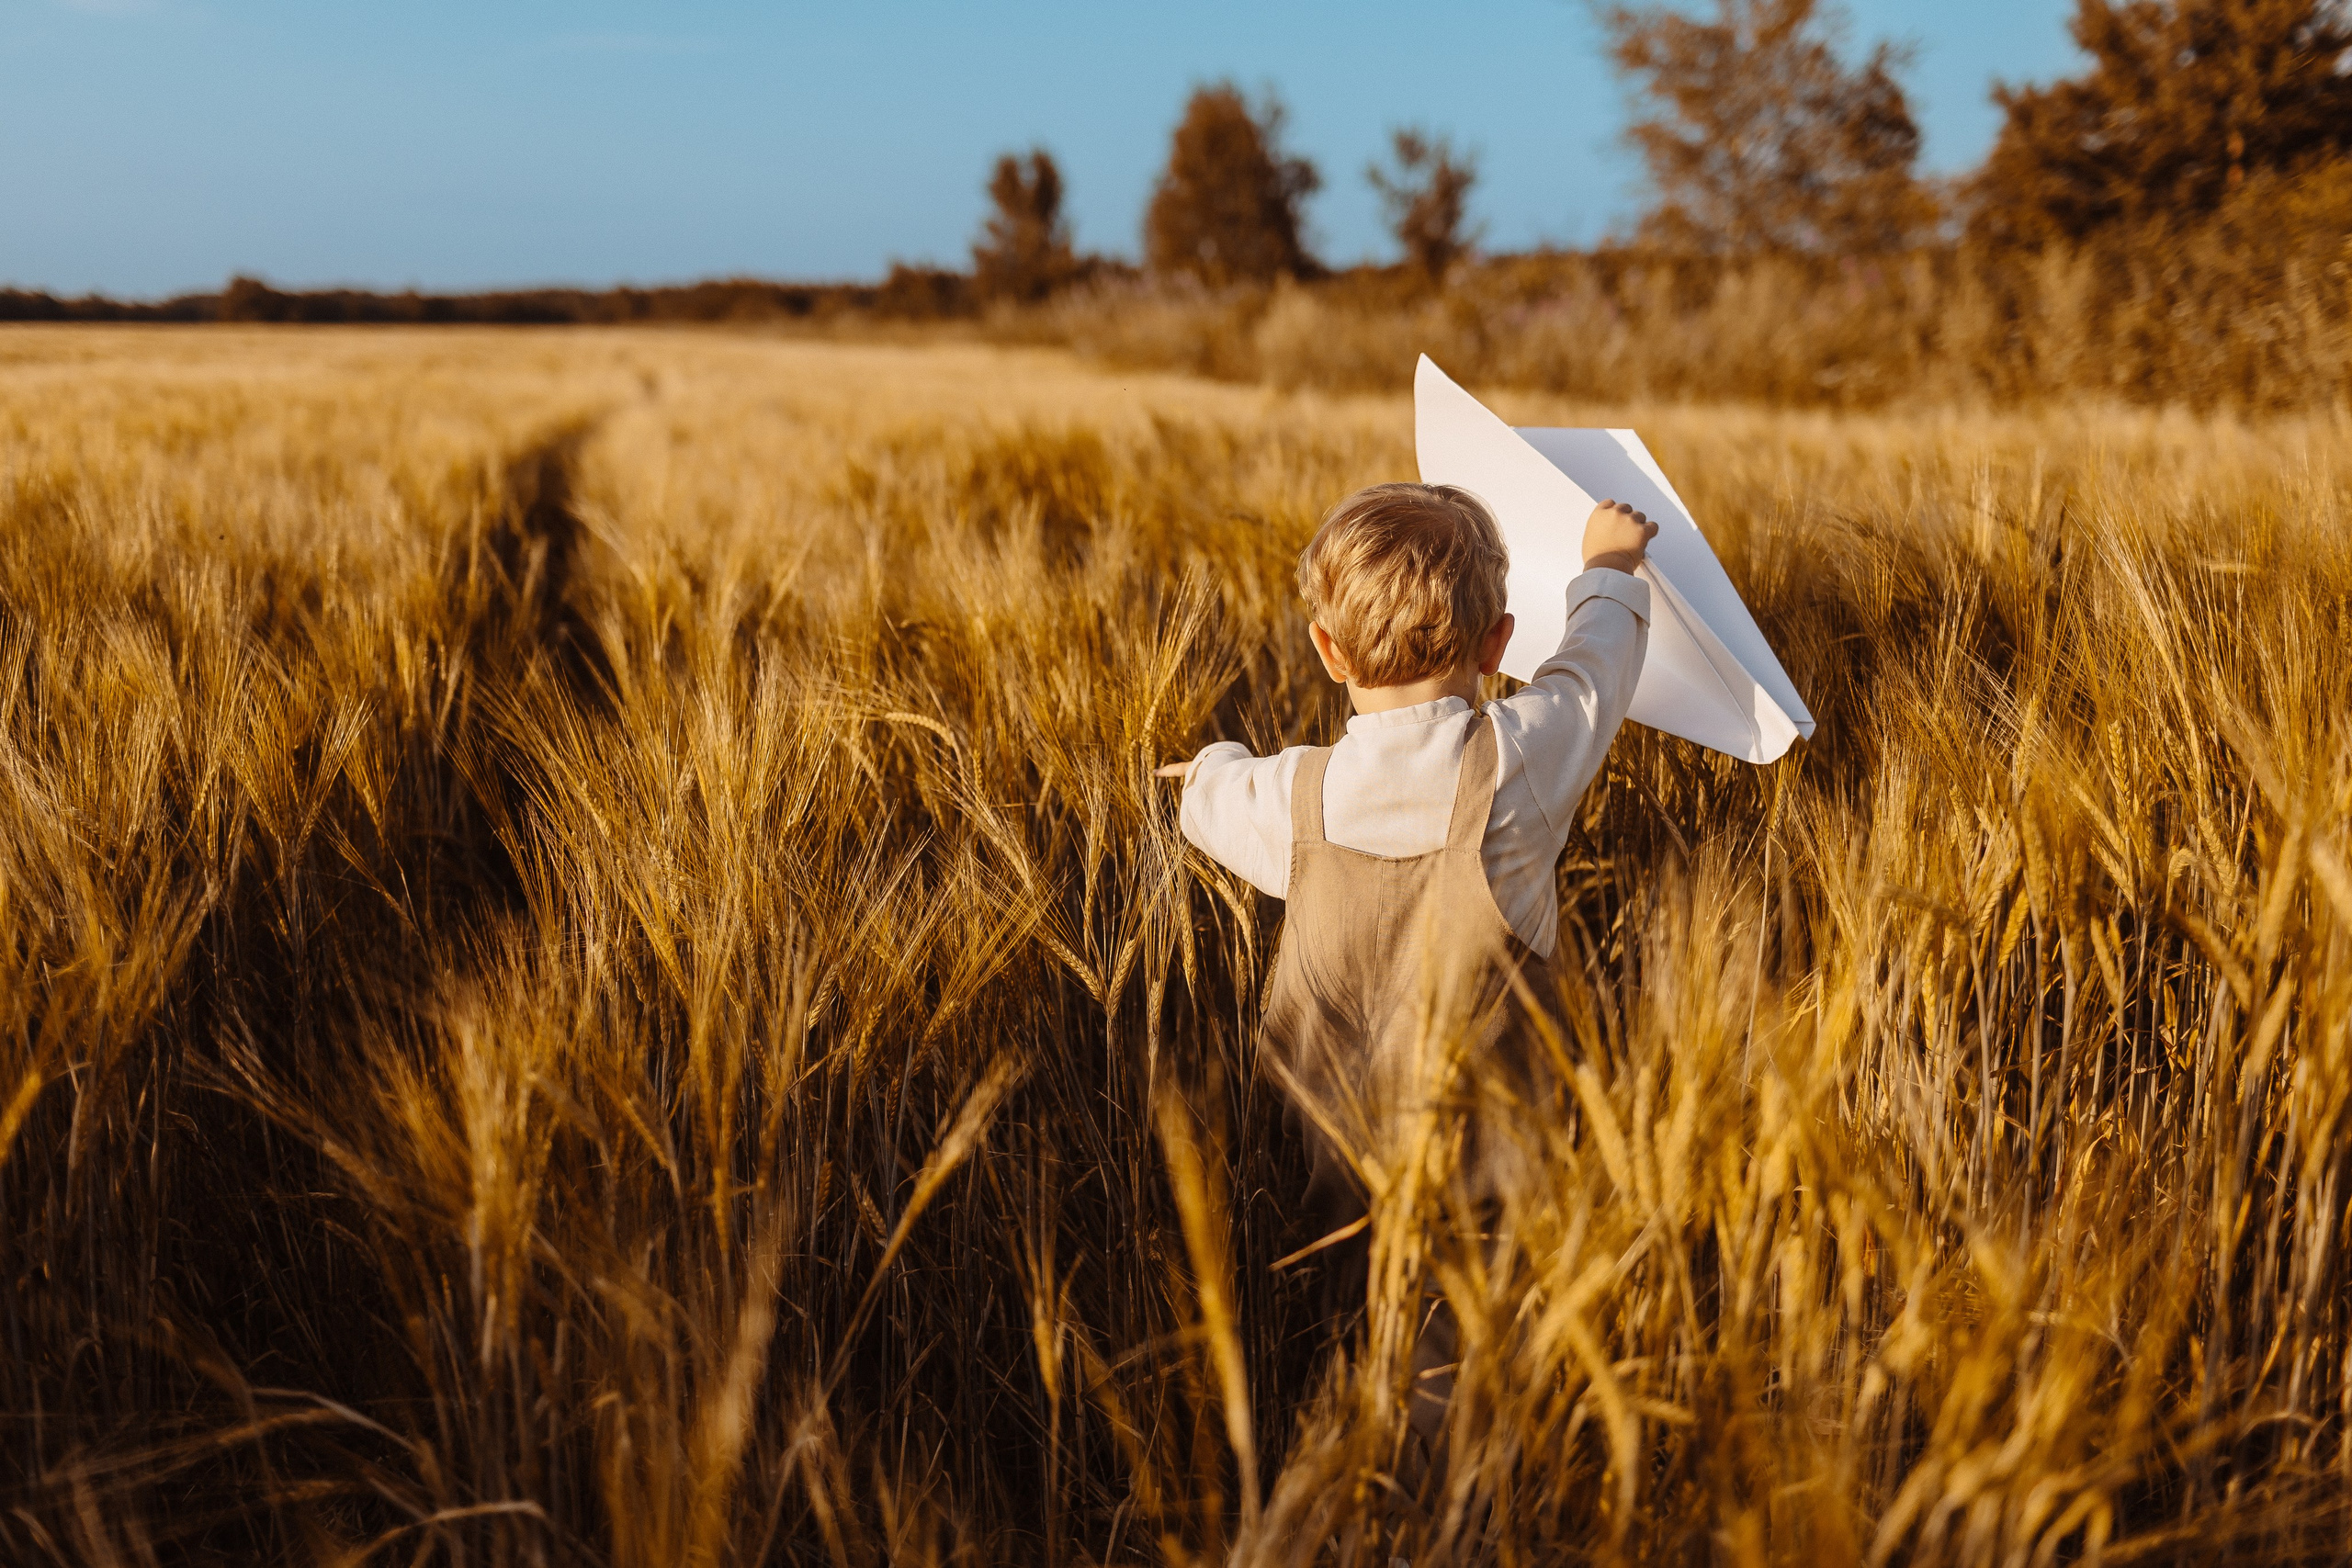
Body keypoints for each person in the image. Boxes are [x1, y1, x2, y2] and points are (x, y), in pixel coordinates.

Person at [1156, 480, 1656, 1483]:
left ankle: (1336, 1473)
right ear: (1497, 643)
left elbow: (1205, 797)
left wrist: (1202, 764)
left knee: (1338, 1314)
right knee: (1465, 1337)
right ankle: (1449, 1496)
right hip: (1492, 1159)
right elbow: (1593, 676)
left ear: (1327, 651)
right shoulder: (1518, 766)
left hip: (1322, 1151)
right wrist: (1607, 572)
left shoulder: (1285, 796)